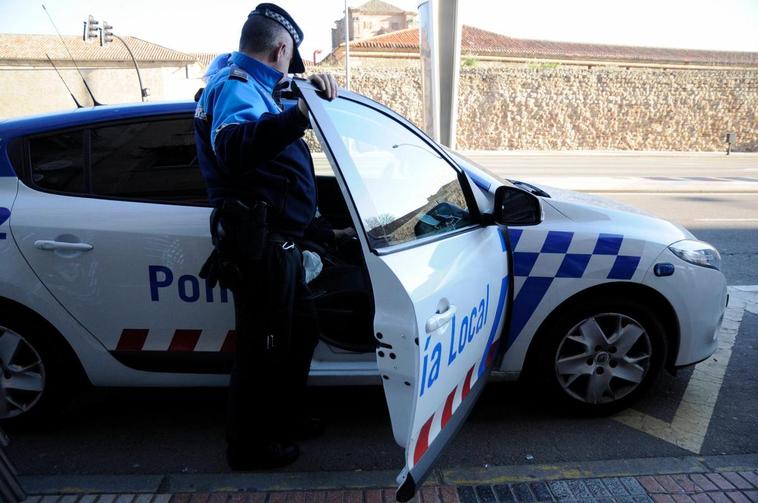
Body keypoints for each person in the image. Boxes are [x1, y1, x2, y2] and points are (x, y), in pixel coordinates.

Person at [194, 3, 338, 470]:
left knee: (300, 333)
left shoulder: (250, 83)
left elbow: (270, 131)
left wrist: (304, 94)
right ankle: (250, 448)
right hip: (261, 242)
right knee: (265, 347)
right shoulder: (236, 87)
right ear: (281, 48)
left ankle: (285, 416)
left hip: (278, 241)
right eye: (288, 59)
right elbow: (234, 148)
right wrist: (297, 117)